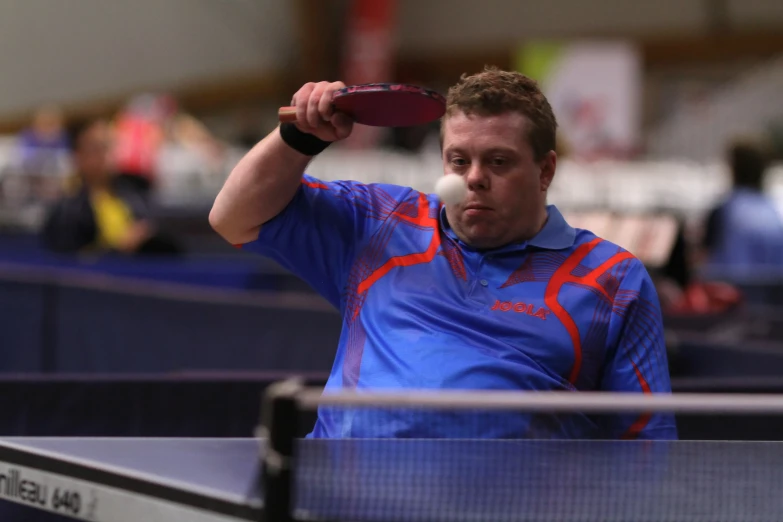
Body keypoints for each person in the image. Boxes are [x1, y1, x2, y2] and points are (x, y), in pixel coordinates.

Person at [210, 67, 677, 440]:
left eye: (498, 161)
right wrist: (299, 139)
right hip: (344, 497)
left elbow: (645, 444)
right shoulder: (379, 223)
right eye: (459, 160)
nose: (473, 178)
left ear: (545, 170)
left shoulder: (613, 279)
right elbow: (232, 217)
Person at [41, 118, 181, 256]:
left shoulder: (135, 191)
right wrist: (117, 249)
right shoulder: (66, 211)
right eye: (97, 148)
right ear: (78, 156)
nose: (106, 155)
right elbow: (69, 263)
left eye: (109, 146)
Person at [701, 137, 783, 277]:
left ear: (733, 169)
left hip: (732, 292)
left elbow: (703, 258)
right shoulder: (775, 210)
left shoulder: (724, 211)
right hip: (773, 295)